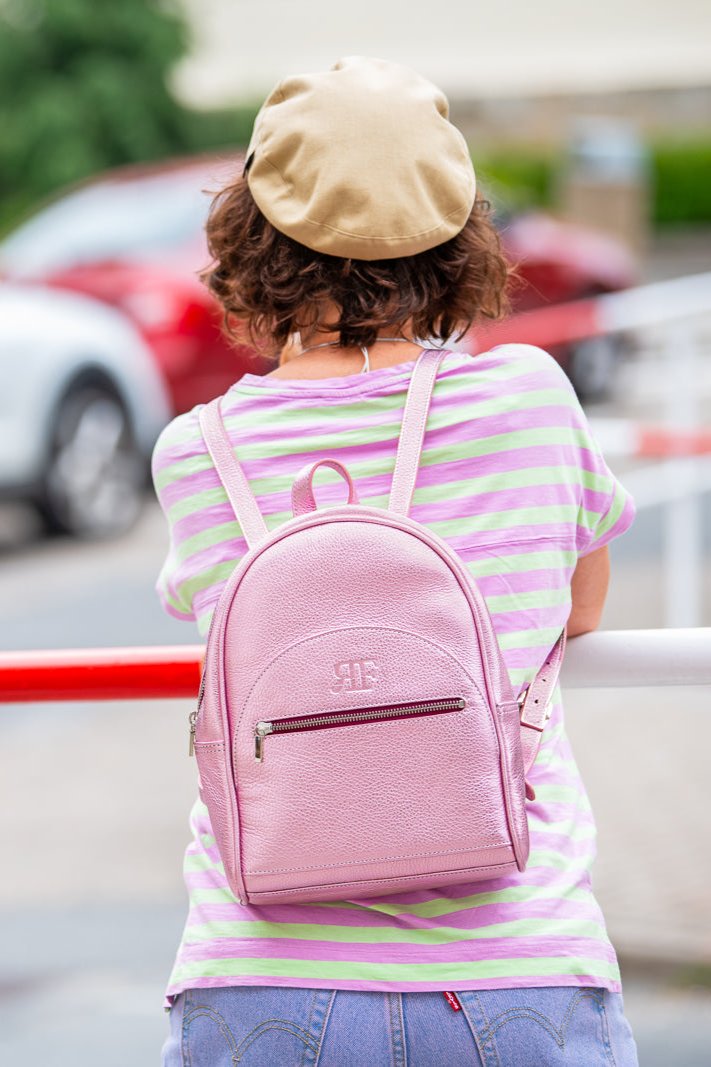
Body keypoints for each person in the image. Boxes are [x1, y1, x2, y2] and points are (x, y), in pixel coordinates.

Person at [153, 56, 638, 1066]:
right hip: (517, 965)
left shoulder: (197, 452)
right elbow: (579, 605)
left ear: (250, 238)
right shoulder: (530, 399)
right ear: (457, 235)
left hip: (262, 977)